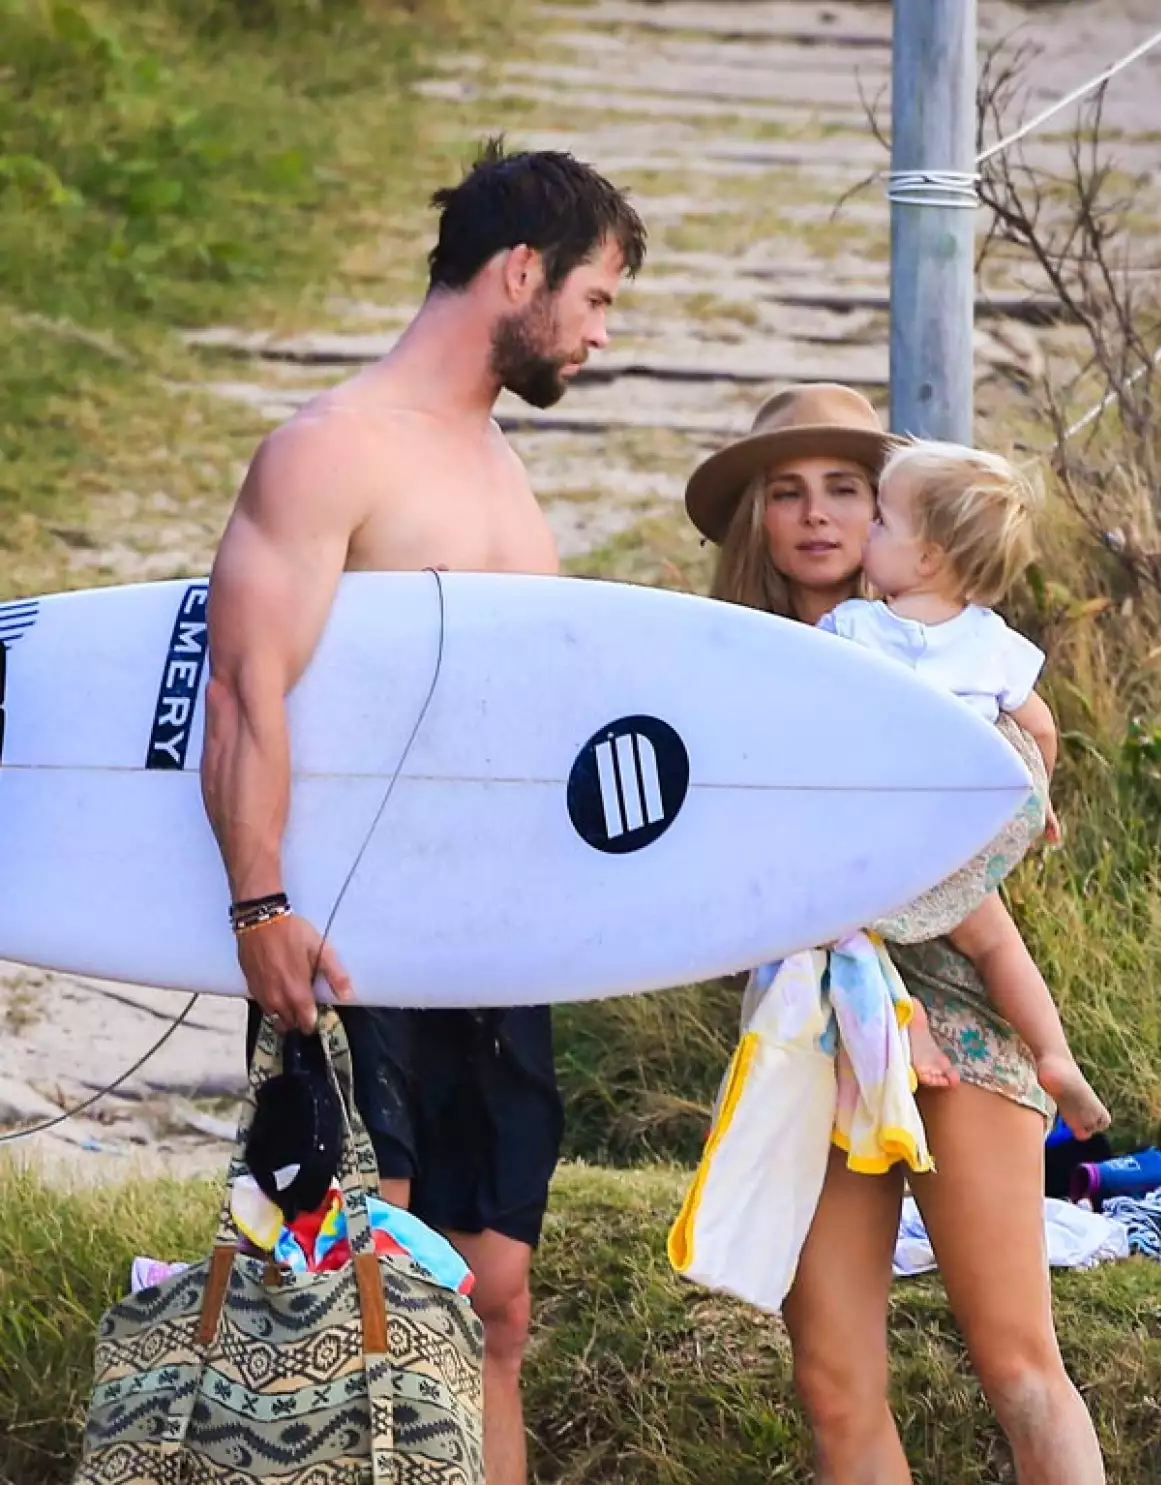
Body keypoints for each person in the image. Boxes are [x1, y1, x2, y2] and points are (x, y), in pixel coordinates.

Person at [199, 137, 647, 1485]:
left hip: (494, 945)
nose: (600, 334)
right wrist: (261, 904)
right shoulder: (332, 449)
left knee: (495, 1293)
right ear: (521, 270)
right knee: (352, 1282)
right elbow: (244, 691)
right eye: (598, 297)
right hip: (354, 935)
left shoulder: (498, 469)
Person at [683, 382, 1106, 1485]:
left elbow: (1004, 820)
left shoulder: (977, 665)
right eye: (789, 492)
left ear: (911, 531)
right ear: (758, 520)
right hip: (810, 1024)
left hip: (958, 1017)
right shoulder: (728, 666)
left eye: (850, 493)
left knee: (1017, 1362)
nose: (822, 516)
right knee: (831, 1382)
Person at [816, 436, 1110, 1138]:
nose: (867, 529)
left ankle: (906, 1023)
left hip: (874, 845)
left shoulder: (853, 628)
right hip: (954, 842)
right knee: (997, 946)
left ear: (926, 558)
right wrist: (1033, 812)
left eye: (882, 520)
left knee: (846, 937)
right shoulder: (993, 643)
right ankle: (1054, 1053)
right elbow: (1038, 731)